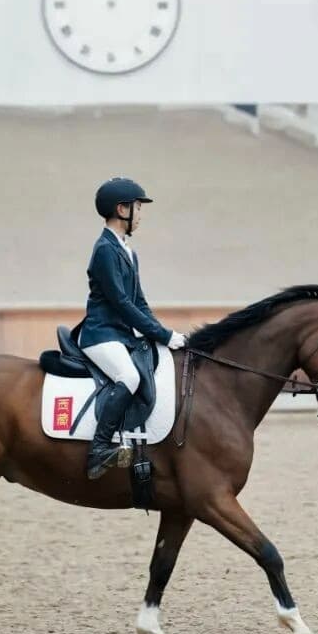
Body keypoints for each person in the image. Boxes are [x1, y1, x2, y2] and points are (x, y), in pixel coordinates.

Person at [78, 177, 187, 480]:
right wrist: (162, 334)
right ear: (122, 209)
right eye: (138, 208)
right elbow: (122, 304)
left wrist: (164, 333)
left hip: (120, 334)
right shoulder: (104, 250)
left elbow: (139, 301)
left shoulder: (127, 250)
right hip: (100, 334)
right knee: (129, 375)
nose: (140, 215)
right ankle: (99, 449)